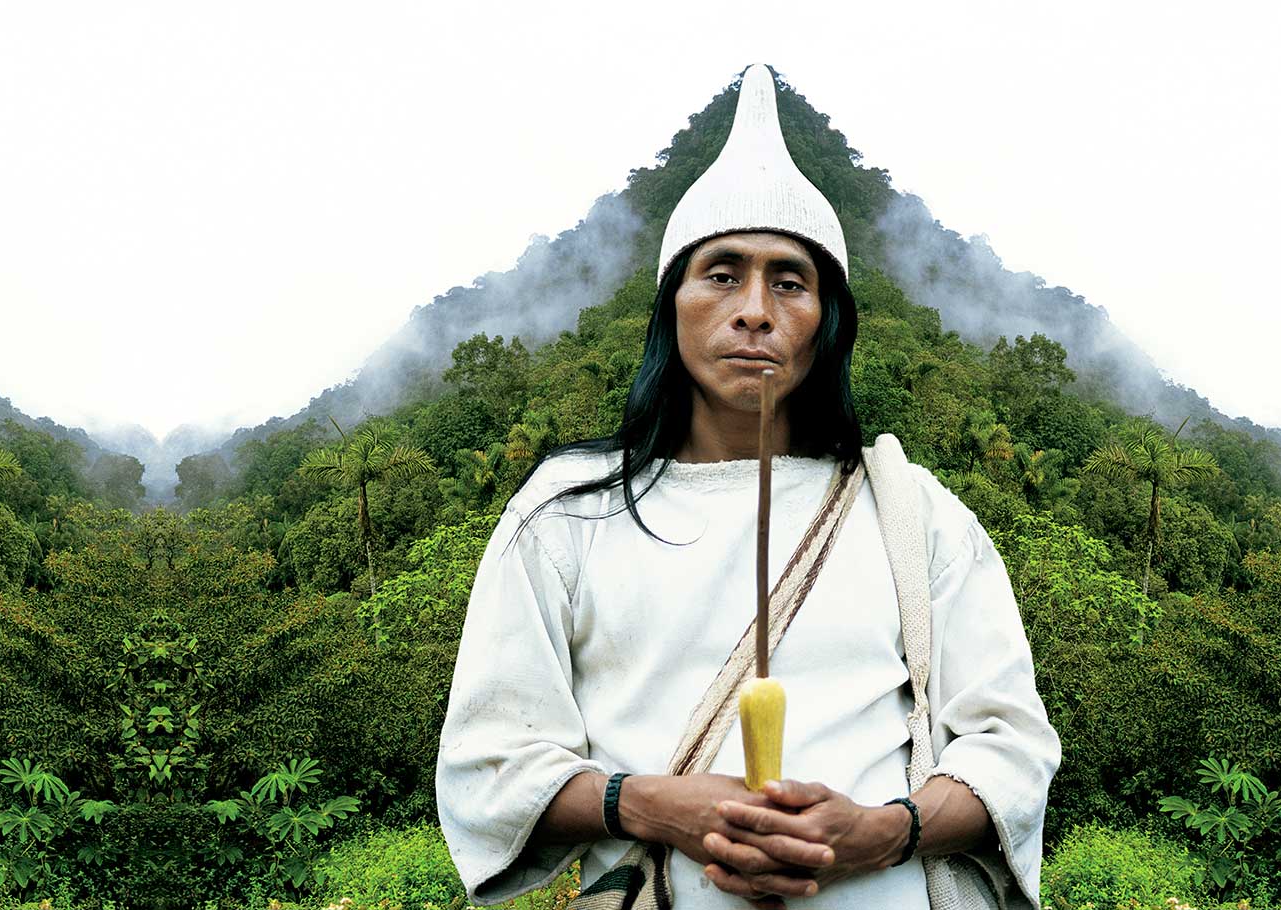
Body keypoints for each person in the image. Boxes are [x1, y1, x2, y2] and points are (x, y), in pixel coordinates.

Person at [435, 64, 1060, 909]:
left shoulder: (914, 514)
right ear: (672, 306)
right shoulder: (566, 515)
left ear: (826, 322)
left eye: (790, 282)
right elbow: (490, 761)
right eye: (722, 273)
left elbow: (1011, 745)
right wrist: (648, 804)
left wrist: (882, 831)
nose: (755, 310)